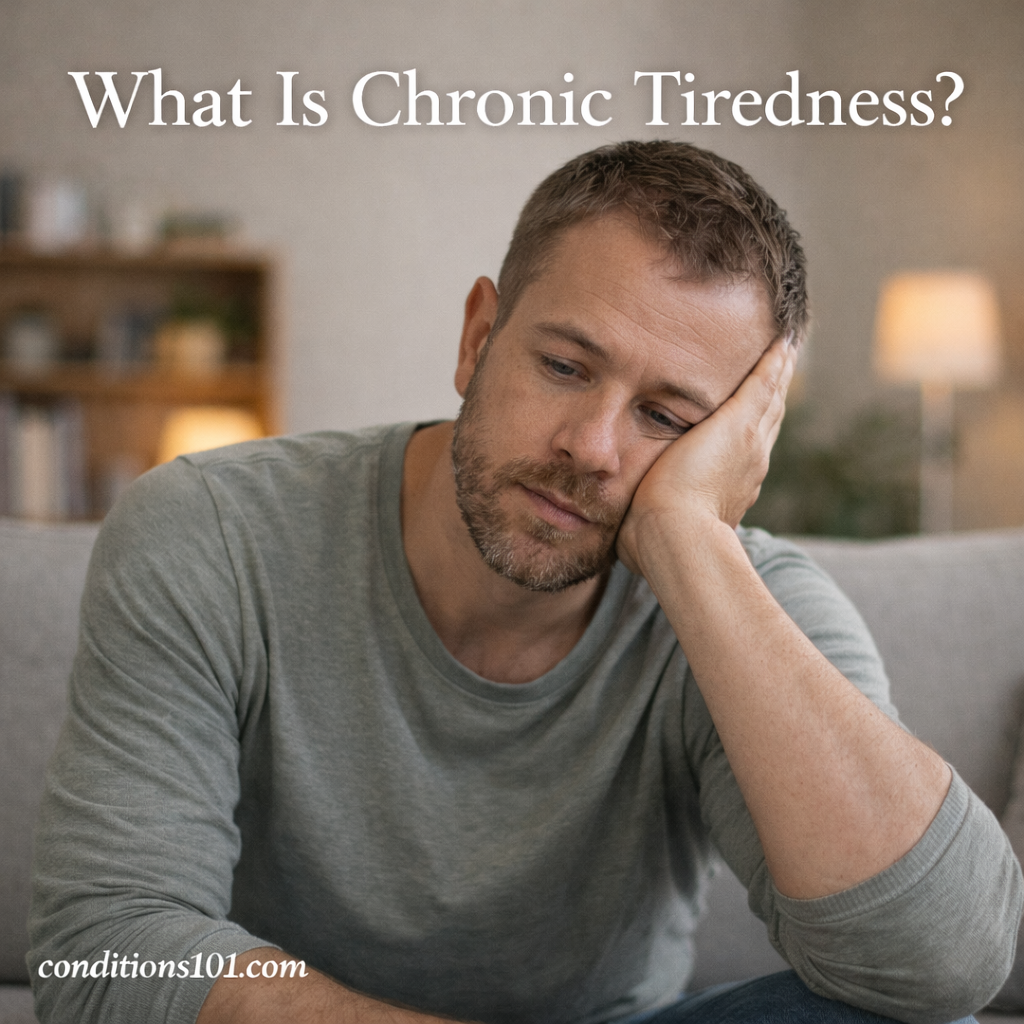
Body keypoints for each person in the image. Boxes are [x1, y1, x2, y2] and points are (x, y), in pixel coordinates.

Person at [29, 141, 1021, 1024]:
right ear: (478, 337)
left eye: (667, 419)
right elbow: (99, 947)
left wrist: (686, 540)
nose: (589, 447)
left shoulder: (744, 597)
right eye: (562, 364)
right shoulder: (212, 528)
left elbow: (942, 972)